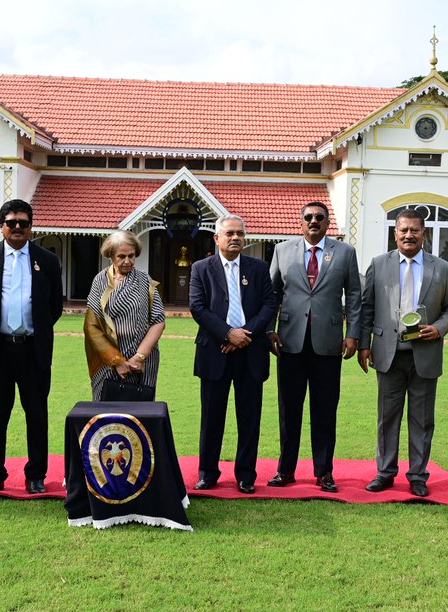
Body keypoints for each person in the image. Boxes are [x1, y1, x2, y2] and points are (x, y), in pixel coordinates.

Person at [357, 210, 448, 495]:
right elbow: (367, 307)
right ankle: (385, 472)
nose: (408, 235)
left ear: (423, 233)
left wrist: (439, 328)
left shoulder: (441, 268)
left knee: (422, 419)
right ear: (395, 233)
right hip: (388, 353)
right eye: (403, 230)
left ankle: (417, 476)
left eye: (414, 230)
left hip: (425, 354)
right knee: (387, 418)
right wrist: (364, 345)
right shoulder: (379, 265)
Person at [267, 201, 362, 492]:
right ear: (300, 222)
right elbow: (272, 293)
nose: (313, 221)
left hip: (329, 343)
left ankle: (324, 472)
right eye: (308, 217)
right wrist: (270, 329)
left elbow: (355, 295)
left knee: (324, 410)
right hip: (290, 343)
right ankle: (286, 470)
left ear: (327, 222)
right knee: (289, 409)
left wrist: (353, 334)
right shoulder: (282, 251)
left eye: (319, 217)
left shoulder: (345, 253)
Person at [0, 199, 63, 494]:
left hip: (33, 349)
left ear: (31, 226)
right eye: (12, 222)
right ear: (2, 227)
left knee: (36, 413)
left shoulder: (47, 260)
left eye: (23, 222)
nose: (18, 227)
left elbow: (54, 307)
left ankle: (36, 474)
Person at [188, 215, 277, 494]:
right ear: (217, 238)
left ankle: (246, 475)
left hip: (250, 352)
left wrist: (244, 335)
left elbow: (269, 303)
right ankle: (207, 473)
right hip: (215, 352)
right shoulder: (201, 268)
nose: (235, 237)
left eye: (240, 233)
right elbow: (197, 307)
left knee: (249, 418)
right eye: (229, 233)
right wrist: (228, 333)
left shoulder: (259, 268)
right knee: (212, 417)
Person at [84, 230, 166, 401]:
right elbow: (91, 326)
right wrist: (117, 361)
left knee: (140, 416)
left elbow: (158, 321)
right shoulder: (100, 281)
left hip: (143, 363)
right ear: (111, 256)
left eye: (131, 255)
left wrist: (139, 357)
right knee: (107, 414)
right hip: (108, 361)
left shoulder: (146, 281)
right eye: (121, 256)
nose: (127, 261)